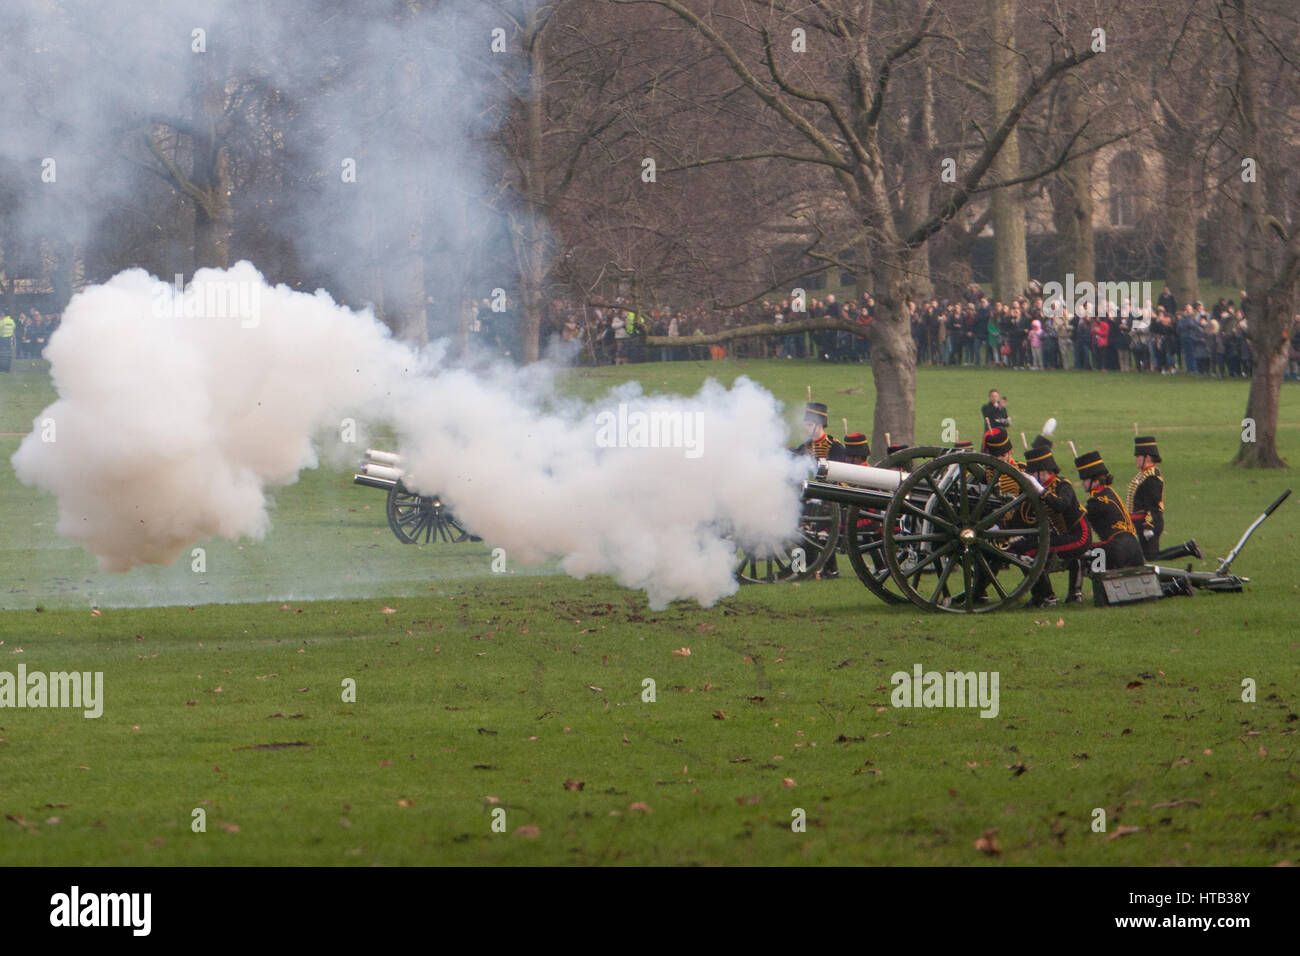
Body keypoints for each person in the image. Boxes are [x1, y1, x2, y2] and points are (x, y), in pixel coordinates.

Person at [1019, 440, 1090, 605]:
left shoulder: (1063, 485)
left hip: (1079, 536)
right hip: (1065, 535)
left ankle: (1045, 597)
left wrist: (1041, 491)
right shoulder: (1041, 489)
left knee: (1031, 553)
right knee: (1025, 547)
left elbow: (1061, 505)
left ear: (1042, 472)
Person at [1128, 436, 1202, 562]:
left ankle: (1188, 548)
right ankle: (1187, 547)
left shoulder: (1152, 478)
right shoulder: (1143, 475)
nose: (1136, 460)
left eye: (1138, 456)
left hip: (1149, 522)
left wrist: (1148, 525)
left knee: (1152, 557)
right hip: (1139, 523)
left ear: (1147, 457)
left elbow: (1153, 505)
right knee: (1149, 556)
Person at [1074, 450, 1144, 569]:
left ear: (1095, 482)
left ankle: (1076, 588)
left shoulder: (1096, 501)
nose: (1082, 484)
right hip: (1135, 548)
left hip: (1116, 548)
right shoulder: (1110, 492)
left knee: (1076, 555)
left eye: (1084, 480)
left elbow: (1078, 522)